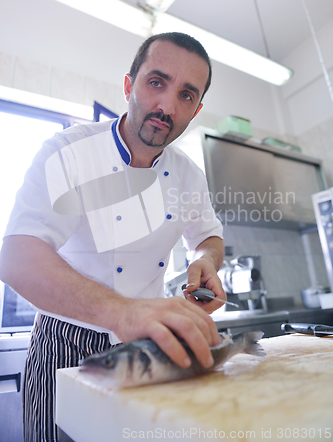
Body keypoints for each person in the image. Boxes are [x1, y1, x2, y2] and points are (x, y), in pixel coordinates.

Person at [0, 32, 225, 442]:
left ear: (197, 109)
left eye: (186, 95)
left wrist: (205, 261)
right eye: (156, 82)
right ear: (128, 85)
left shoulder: (189, 175)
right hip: (63, 345)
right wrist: (123, 312)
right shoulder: (68, 152)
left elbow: (208, 236)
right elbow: (16, 255)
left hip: (144, 349)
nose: (167, 106)